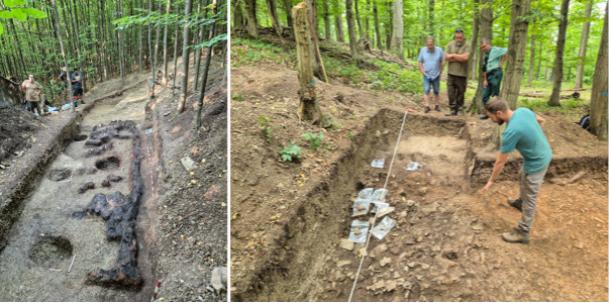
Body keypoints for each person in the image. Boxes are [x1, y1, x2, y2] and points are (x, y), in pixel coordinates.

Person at [479, 97, 553, 244]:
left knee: (530, 196)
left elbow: (500, 162)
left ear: (499, 113)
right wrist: (533, 139)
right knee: (522, 174)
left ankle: (523, 232)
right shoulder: (523, 111)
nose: (491, 120)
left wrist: (491, 181)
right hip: (540, 153)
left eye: (491, 117)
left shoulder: (511, 132)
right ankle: (521, 201)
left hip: (538, 161)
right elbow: (541, 120)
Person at [444, 29, 471, 116]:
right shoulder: (450, 44)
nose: (458, 38)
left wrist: (453, 55)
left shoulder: (467, 45)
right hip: (451, 73)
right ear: (455, 36)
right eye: (457, 37)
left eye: (460, 37)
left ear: (463, 36)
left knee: (460, 92)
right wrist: (458, 57)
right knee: (450, 92)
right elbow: (446, 56)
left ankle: (459, 109)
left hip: (462, 74)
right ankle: (452, 109)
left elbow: (465, 58)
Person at [480, 39, 508, 119]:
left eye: (484, 46)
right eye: (482, 48)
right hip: (488, 75)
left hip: (496, 73)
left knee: (495, 95)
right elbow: (484, 69)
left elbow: (506, 51)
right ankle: (488, 113)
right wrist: (485, 79)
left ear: (488, 44)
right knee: (485, 96)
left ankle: (498, 115)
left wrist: (501, 63)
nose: (483, 49)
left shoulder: (495, 50)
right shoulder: (486, 55)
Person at [417, 36, 444, 113]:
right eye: (428, 45)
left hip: (436, 74)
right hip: (426, 74)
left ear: (434, 43)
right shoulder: (423, 50)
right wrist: (422, 71)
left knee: (436, 90)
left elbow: (442, 62)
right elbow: (420, 62)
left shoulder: (439, 50)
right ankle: (427, 106)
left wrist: (440, 72)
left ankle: (437, 105)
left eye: (431, 44)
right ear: (426, 44)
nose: (430, 46)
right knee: (426, 90)